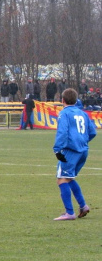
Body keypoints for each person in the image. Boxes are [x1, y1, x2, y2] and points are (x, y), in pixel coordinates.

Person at [52, 88, 96, 220]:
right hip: (83, 151)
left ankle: (69, 213)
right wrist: (82, 141)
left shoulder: (64, 113)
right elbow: (93, 132)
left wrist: (57, 149)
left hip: (71, 152)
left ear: (62, 100)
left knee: (61, 180)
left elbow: (63, 132)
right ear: (76, 100)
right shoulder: (82, 113)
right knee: (69, 178)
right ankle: (83, 206)